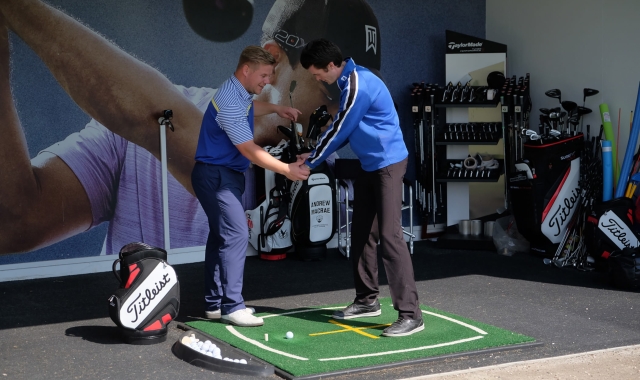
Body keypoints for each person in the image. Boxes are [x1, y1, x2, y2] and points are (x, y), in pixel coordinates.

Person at [0, 0, 382, 258]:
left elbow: (179, 137)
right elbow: (14, 220)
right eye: (336, 88)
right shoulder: (131, 134)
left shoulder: (320, 172)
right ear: (275, 59)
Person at [299, 39, 423, 337]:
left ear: (331, 65)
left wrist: (310, 162)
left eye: (317, 74)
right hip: (370, 165)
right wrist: (313, 154)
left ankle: (411, 315)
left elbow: (342, 127)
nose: (317, 80)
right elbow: (343, 129)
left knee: (390, 237)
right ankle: (367, 300)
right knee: (362, 234)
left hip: (388, 165)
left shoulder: (358, 84)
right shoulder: (348, 82)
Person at [191, 46, 309, 327]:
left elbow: (250, 107)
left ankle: (213, 303)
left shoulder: (238, 93)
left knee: (221, 237)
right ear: (246, 70)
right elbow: (248, 149)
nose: (267, 81)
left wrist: (277, 109)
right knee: (235, 234)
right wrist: (287, 170)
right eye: (264, 75)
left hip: (222, 175)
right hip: (217, 177)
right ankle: (232, 305)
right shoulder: (231, 99)